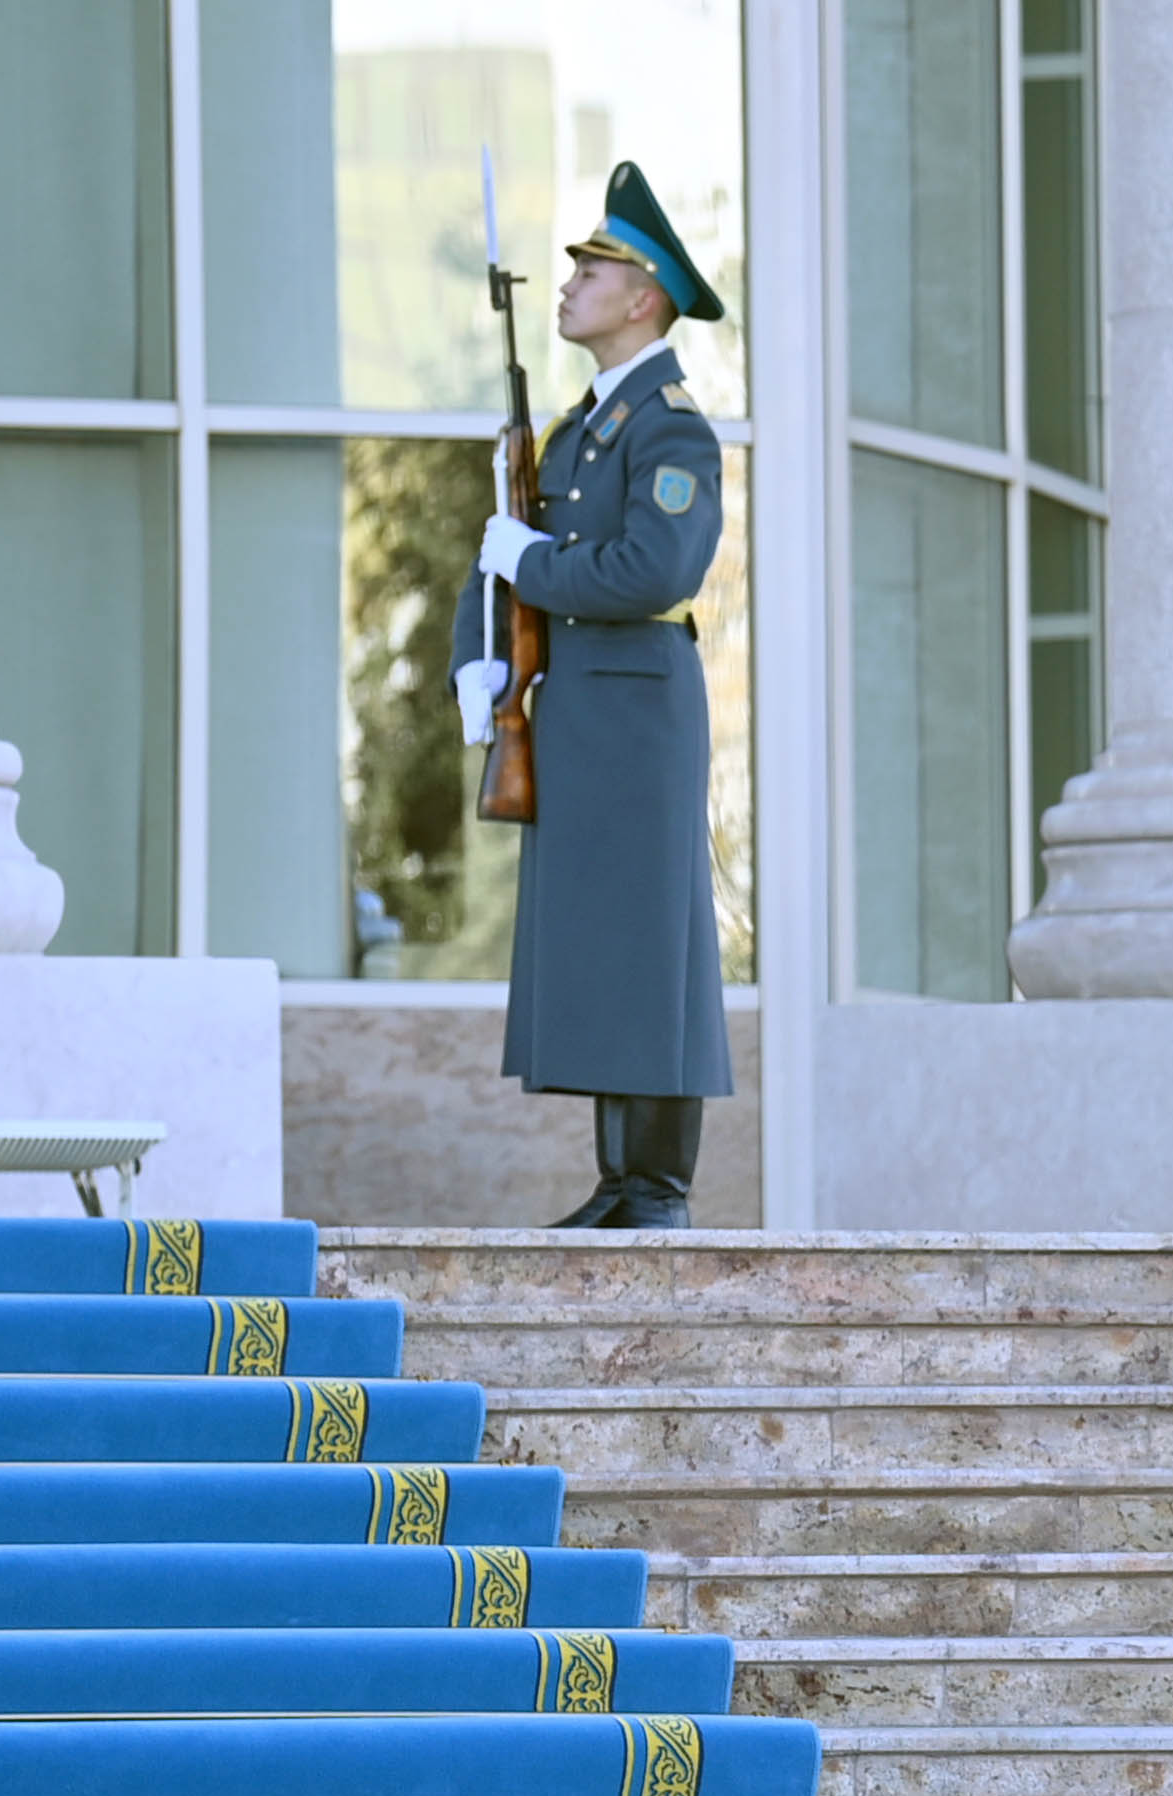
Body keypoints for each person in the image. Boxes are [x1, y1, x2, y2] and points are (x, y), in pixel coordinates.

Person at [457, 161, 733, 1229]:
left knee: (649, 944)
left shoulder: (670, 428)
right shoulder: (579, 429)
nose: (570, 284)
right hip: (576, 712)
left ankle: (657, 1189)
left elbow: (649, 571)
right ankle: (622, 1183)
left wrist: (531, 567)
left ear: (644, 298)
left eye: (593, 270)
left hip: (638, 712)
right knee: (606, 946)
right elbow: (505, 546)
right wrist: (479, 658)